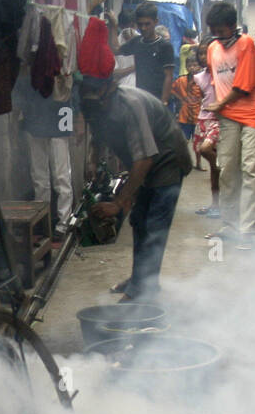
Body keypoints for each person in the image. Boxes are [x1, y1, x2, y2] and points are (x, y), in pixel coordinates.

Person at [81, 76, 193, 302]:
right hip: (144, 163)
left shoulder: (130, 105)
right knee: (139, 220)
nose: (90, 97)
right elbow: (97, 133)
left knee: (154, 226)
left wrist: (119, 202)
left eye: (96, 91)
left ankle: (144, 291)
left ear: (110, 87)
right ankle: (139, 280)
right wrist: (92, 161)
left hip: (167, 160)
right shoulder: (93, 103)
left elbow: (145, 159)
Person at [203, 2, 255, 247]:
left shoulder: (246, 44)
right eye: (215, 31)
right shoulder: (212, 48)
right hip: (227, 115)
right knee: (228, 168)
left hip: (253, 113)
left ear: (232, 26)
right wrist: (217, 107)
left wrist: (220, 105)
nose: (218, 36)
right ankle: (230, 225)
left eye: (222, 31)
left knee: (251, 167)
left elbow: (244, 85)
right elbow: (215, 82)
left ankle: (250, 228)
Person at [12, 72, 74, 242]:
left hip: (56, 110)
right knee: (41, 176)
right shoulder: (31, 65)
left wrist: (76, 118)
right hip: (37, 112)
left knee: (60, 174)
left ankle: (63, 222)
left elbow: (72, 78)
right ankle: (43, 219)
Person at [116, 1, 176, 104]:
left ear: (156, 21)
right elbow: (115, 50)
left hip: (157, 101)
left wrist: (164, 101)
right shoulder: (136, 42)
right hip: (140, 98)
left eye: (147, 24)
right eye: (140, 24)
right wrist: (113, 25)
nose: (143, 28)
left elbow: (168, 75)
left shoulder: (164, 46)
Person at [191, 42, 222, 216]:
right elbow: (204, 98)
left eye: (207, 53)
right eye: (201, 53)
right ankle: (215, 205)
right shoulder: (199, 77)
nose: (203, 57)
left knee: (206, 150)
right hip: (203, 119)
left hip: (218, 119)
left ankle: (223, 166)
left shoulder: (222, 74)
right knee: (212, 167)